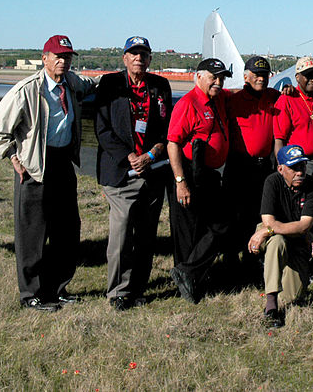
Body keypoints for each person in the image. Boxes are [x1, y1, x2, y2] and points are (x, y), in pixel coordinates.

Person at [0, 35, 96, 311]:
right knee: (32, 233)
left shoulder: (71, 83)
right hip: (34, 166)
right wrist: (13, 157)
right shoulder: (27, 90)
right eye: (57, 56)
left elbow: (92, 84)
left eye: (67, 57)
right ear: (44, 58)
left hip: (62, 162)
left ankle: (57, 288)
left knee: (67, 229)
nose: (63, 61)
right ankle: (30, 295)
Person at [94, 36, 172, 311]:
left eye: (144, 53)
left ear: (150, 59)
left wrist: (151, 155)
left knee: (147, 235)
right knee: (121, 234)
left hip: (151, 170)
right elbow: (102, 129)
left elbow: (166, 128)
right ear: (124, 58)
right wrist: (128, 157)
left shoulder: (160, 86)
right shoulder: (110, 84)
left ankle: (138, 288)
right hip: (120, 173)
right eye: (134, 53)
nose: (139, 58)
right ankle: (117, 291)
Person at [167, 58, 233, 303]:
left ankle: (189, 272)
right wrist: (180, 181)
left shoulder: (219, 100)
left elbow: (235, 93)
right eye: (213, 77)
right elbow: (173, 142)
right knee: (188, 231)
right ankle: (188, 284)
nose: (218, 82)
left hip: (209, 174)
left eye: (221, 78)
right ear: (198, 77)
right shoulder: (188, 103)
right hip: (189, 172)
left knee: (219, 224)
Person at [246, 145, 313, 328]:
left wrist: (303, 232)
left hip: (295, 237)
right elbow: (268, 221)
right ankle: (271, 305)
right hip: (274, 234)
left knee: (293, 297)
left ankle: (278, 274)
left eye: (302, 167)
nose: (300, 172)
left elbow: (304, 225)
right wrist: (269, 231)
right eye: (294, 168)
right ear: (280, 168)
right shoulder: (271, 182)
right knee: (277, 243)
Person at [224, 55, 281, 278]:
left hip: (263, 166)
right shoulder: (233, 101)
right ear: (246, 77)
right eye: (256, 75)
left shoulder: (273, 97)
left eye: (265, 75)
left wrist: (289, 92)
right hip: (240, 164)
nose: (261, 79)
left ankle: (252, 258)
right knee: (236, 215)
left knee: (258, 214)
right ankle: (230, 261)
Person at [273, 56, 313, 188]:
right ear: (297, 77)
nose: (312, 78)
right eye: (307, 75)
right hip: (299, 166)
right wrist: (283, 169)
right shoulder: (286, 100)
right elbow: (279, 139)